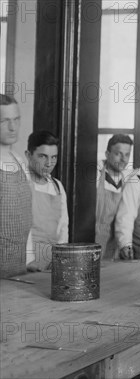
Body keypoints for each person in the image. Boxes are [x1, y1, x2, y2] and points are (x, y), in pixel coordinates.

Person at [24, 131, 68, 271]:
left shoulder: (57, 186)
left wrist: (62, 258)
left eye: (54, 157)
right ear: (28, 155)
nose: (49, 163)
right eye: (43, 156)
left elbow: (63, 228)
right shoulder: (21, 184)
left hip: (53, 261)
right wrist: (28, 261)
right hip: (26, 261)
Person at [0, 94, 33, 278]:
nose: (13, 127)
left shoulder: (20, 161)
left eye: (16, 119)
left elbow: (26, 218)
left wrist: (29, 260)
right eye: (4, 121)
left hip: (19, 269)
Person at [95, 134, 134, 260]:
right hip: (93, 238)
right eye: (118, 154)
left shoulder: (129, 178)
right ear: (107, 154)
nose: (123, 159)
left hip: (114, 243)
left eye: (127, 155)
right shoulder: (95, 174)